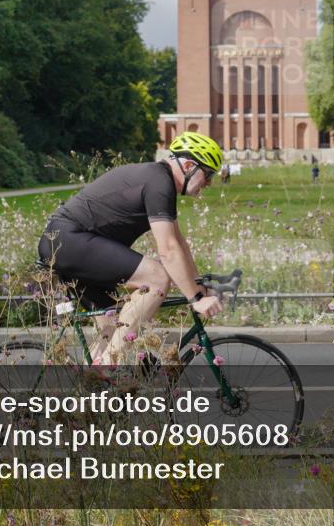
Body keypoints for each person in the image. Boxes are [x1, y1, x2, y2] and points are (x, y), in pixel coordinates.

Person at [37, 132, 224, 366]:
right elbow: (167, 250)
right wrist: (196, 298)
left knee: (114, 324)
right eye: (208, 174)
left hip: (67, 243)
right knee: (157, 278)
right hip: (68, 240)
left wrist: (199, 287)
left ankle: (93, 386)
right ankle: (108, 364)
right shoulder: (159, 183)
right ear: (188, 166)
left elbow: (179, 245)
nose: (209, 182)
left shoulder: (158, 180)